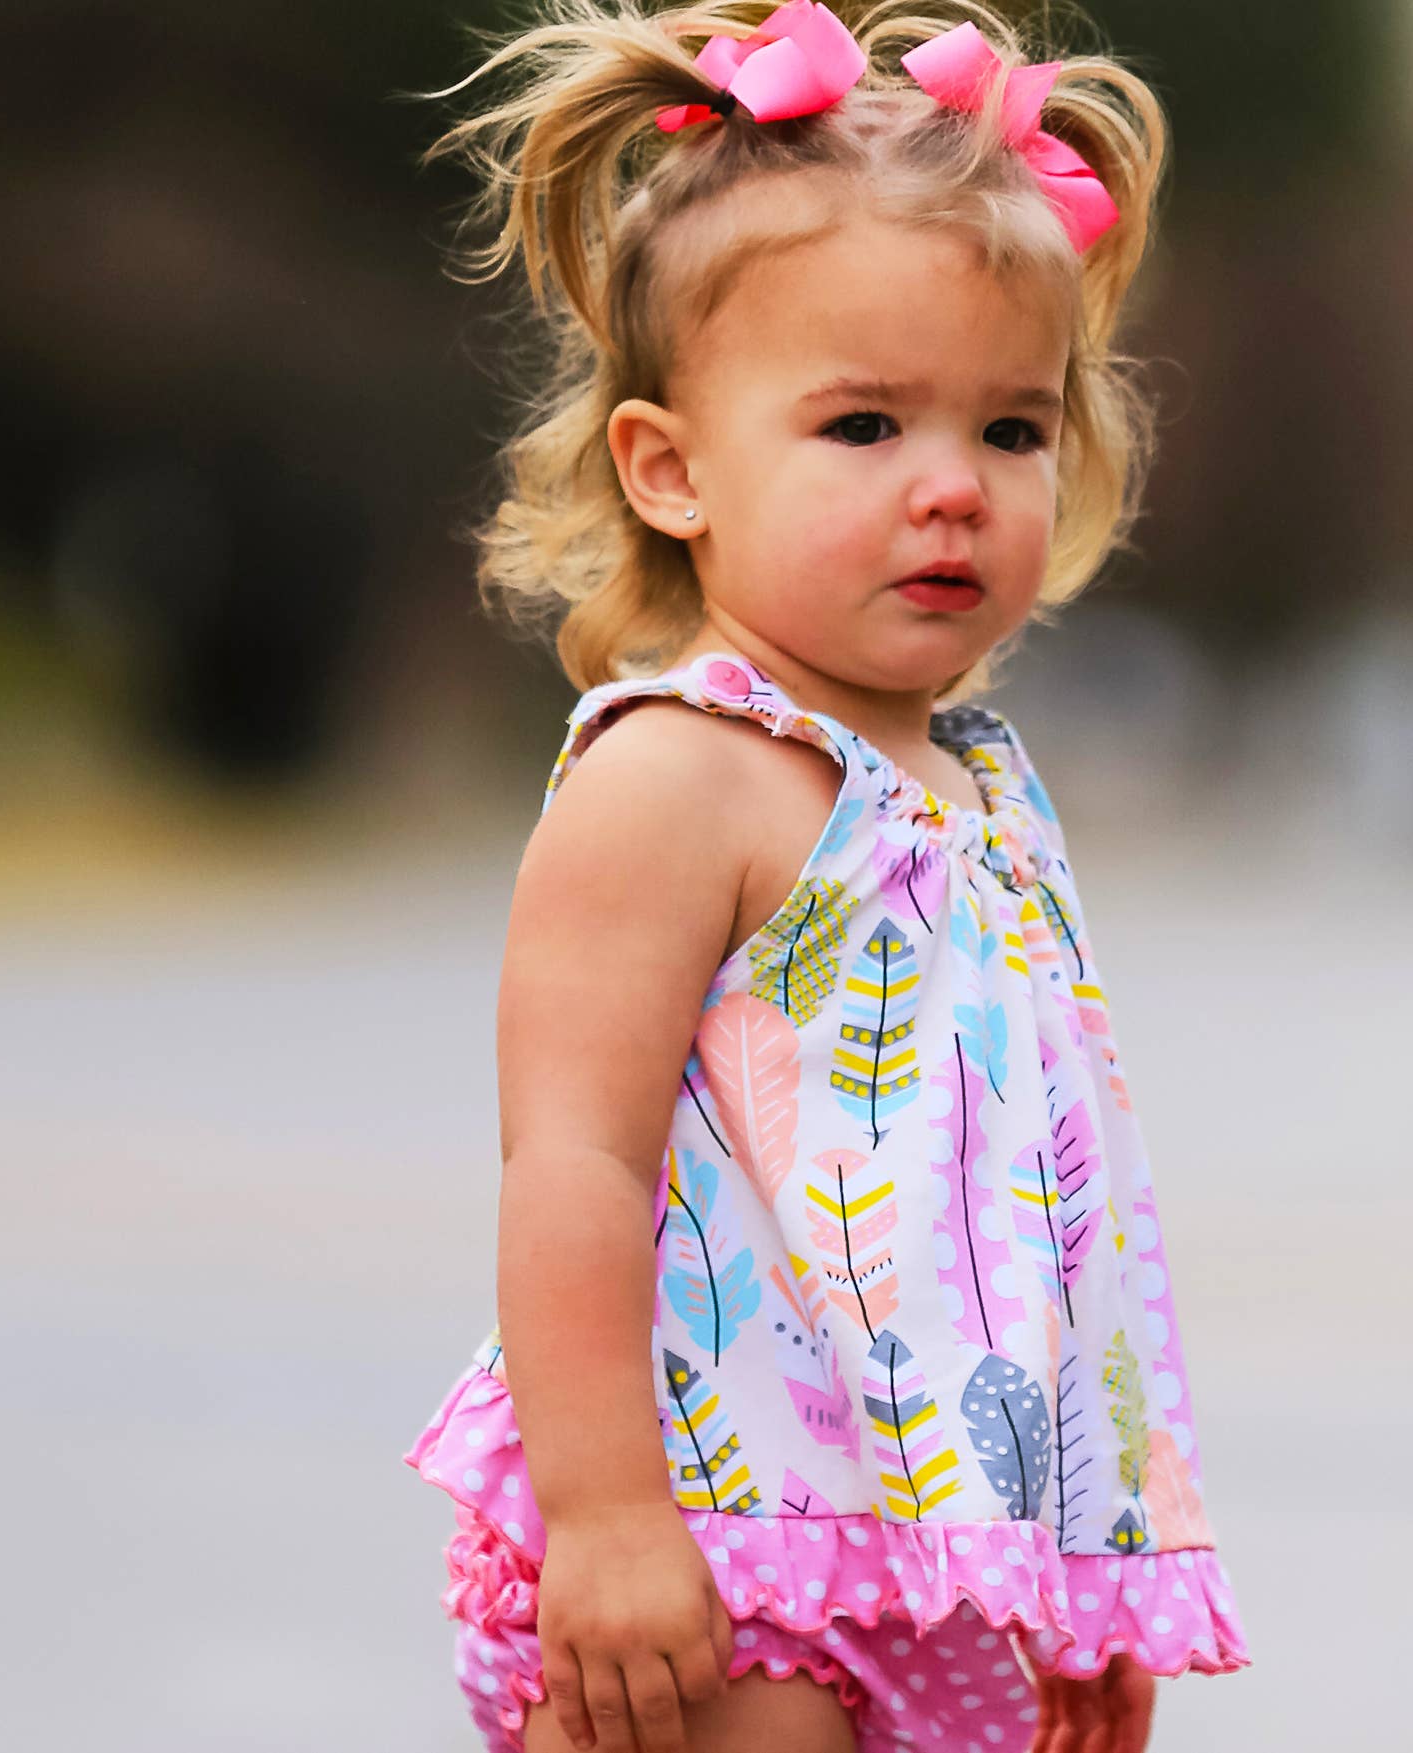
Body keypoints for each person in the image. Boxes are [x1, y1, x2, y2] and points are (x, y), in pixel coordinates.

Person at [403, 4, 1252, 1749]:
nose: (951, 488)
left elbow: (1023, 1217)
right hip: (715, 1534)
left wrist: (1069, 1565)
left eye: (1011, 430)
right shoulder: (676, 776)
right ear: (671, 468)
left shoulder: (978, 794)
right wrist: (615, 1515)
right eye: (864, 426)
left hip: (909, 1547)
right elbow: (569, 1160)